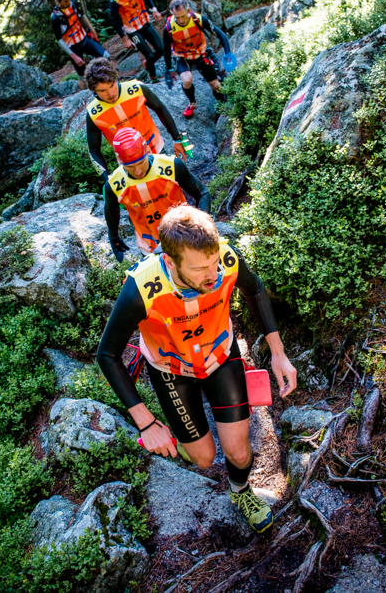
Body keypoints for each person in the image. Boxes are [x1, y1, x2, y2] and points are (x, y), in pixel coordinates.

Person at [96, 206, 297, 533]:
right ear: (170, 262)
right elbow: (107, 354)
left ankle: (240, 491)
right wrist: (147, 423)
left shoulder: (227, 260)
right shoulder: (140, 287)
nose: (213, 274)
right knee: (203, 459)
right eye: (200, 268)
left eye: (214, 261)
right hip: (171, 369)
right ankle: (182, 436)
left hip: (220, 356)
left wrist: (278, 353)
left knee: (239, 453)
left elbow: (254, 288)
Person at [104, 127, 210, 261]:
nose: (137, 171)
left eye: (141, 163)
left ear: (147, 151)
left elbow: (202, 193)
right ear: (120, 162)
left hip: (184, 236)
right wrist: (113, 237)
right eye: (130, 167)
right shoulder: (114, 184)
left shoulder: (171, 165)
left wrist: (200, 225)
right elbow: (111, 209)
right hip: (149, 247)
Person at [84, 57, 188, 179]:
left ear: (116, 78)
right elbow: (94, 151)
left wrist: (177, 139)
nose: (110, 94)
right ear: (93, 90)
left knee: (172, 186)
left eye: (112, 85)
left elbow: (160, 109)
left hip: (157, 152)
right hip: (131, 167)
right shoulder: (93, 113)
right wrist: (108, 179)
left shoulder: (136, 88)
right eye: (102, 90)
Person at [163, 0, 231, 118]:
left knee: (216, 85)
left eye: (183, 16)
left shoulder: (198, 19)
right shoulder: (169, 27)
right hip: (182, 56)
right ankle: (192, 103)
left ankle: (221, 104)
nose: (181, 20)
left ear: (189, 11)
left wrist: (228, 53)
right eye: (177, 17)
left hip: (200, 53)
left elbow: (220, 34)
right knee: (187, 80)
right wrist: (169, 69)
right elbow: (166, 49)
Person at [109, 0, 164, 83]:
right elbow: (114, 19)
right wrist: (124, 39)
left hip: (144, 22)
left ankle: (147, 64)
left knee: (161, 49)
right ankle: (153, 78)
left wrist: (154, 9)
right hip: (132, 30)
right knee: (149, 55)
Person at [52, 0, 109, 87]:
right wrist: (73, 56)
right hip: (73, 48)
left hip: (84, 39)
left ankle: (108, 82)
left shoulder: (73, 4)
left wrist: (91, 29)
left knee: (106, 57)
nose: (69, 2)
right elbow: (59, 40)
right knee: (82, 76)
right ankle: (85, 93)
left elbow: (81, 16)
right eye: (65, 1)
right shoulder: (55, 17)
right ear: (58, 1)